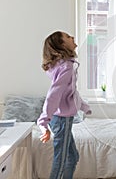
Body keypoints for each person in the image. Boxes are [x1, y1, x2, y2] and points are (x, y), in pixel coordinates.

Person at [37, 31, 92, 179]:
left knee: (72, 157)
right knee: (60, 161)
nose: (72, 37)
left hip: (62, 119)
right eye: (68, 37)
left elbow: (70, 92)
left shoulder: (63, 65)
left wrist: (84, 107)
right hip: (61, 120)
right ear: (62, 45)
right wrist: (43, 121)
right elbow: (53, 94)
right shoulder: (66, 67)